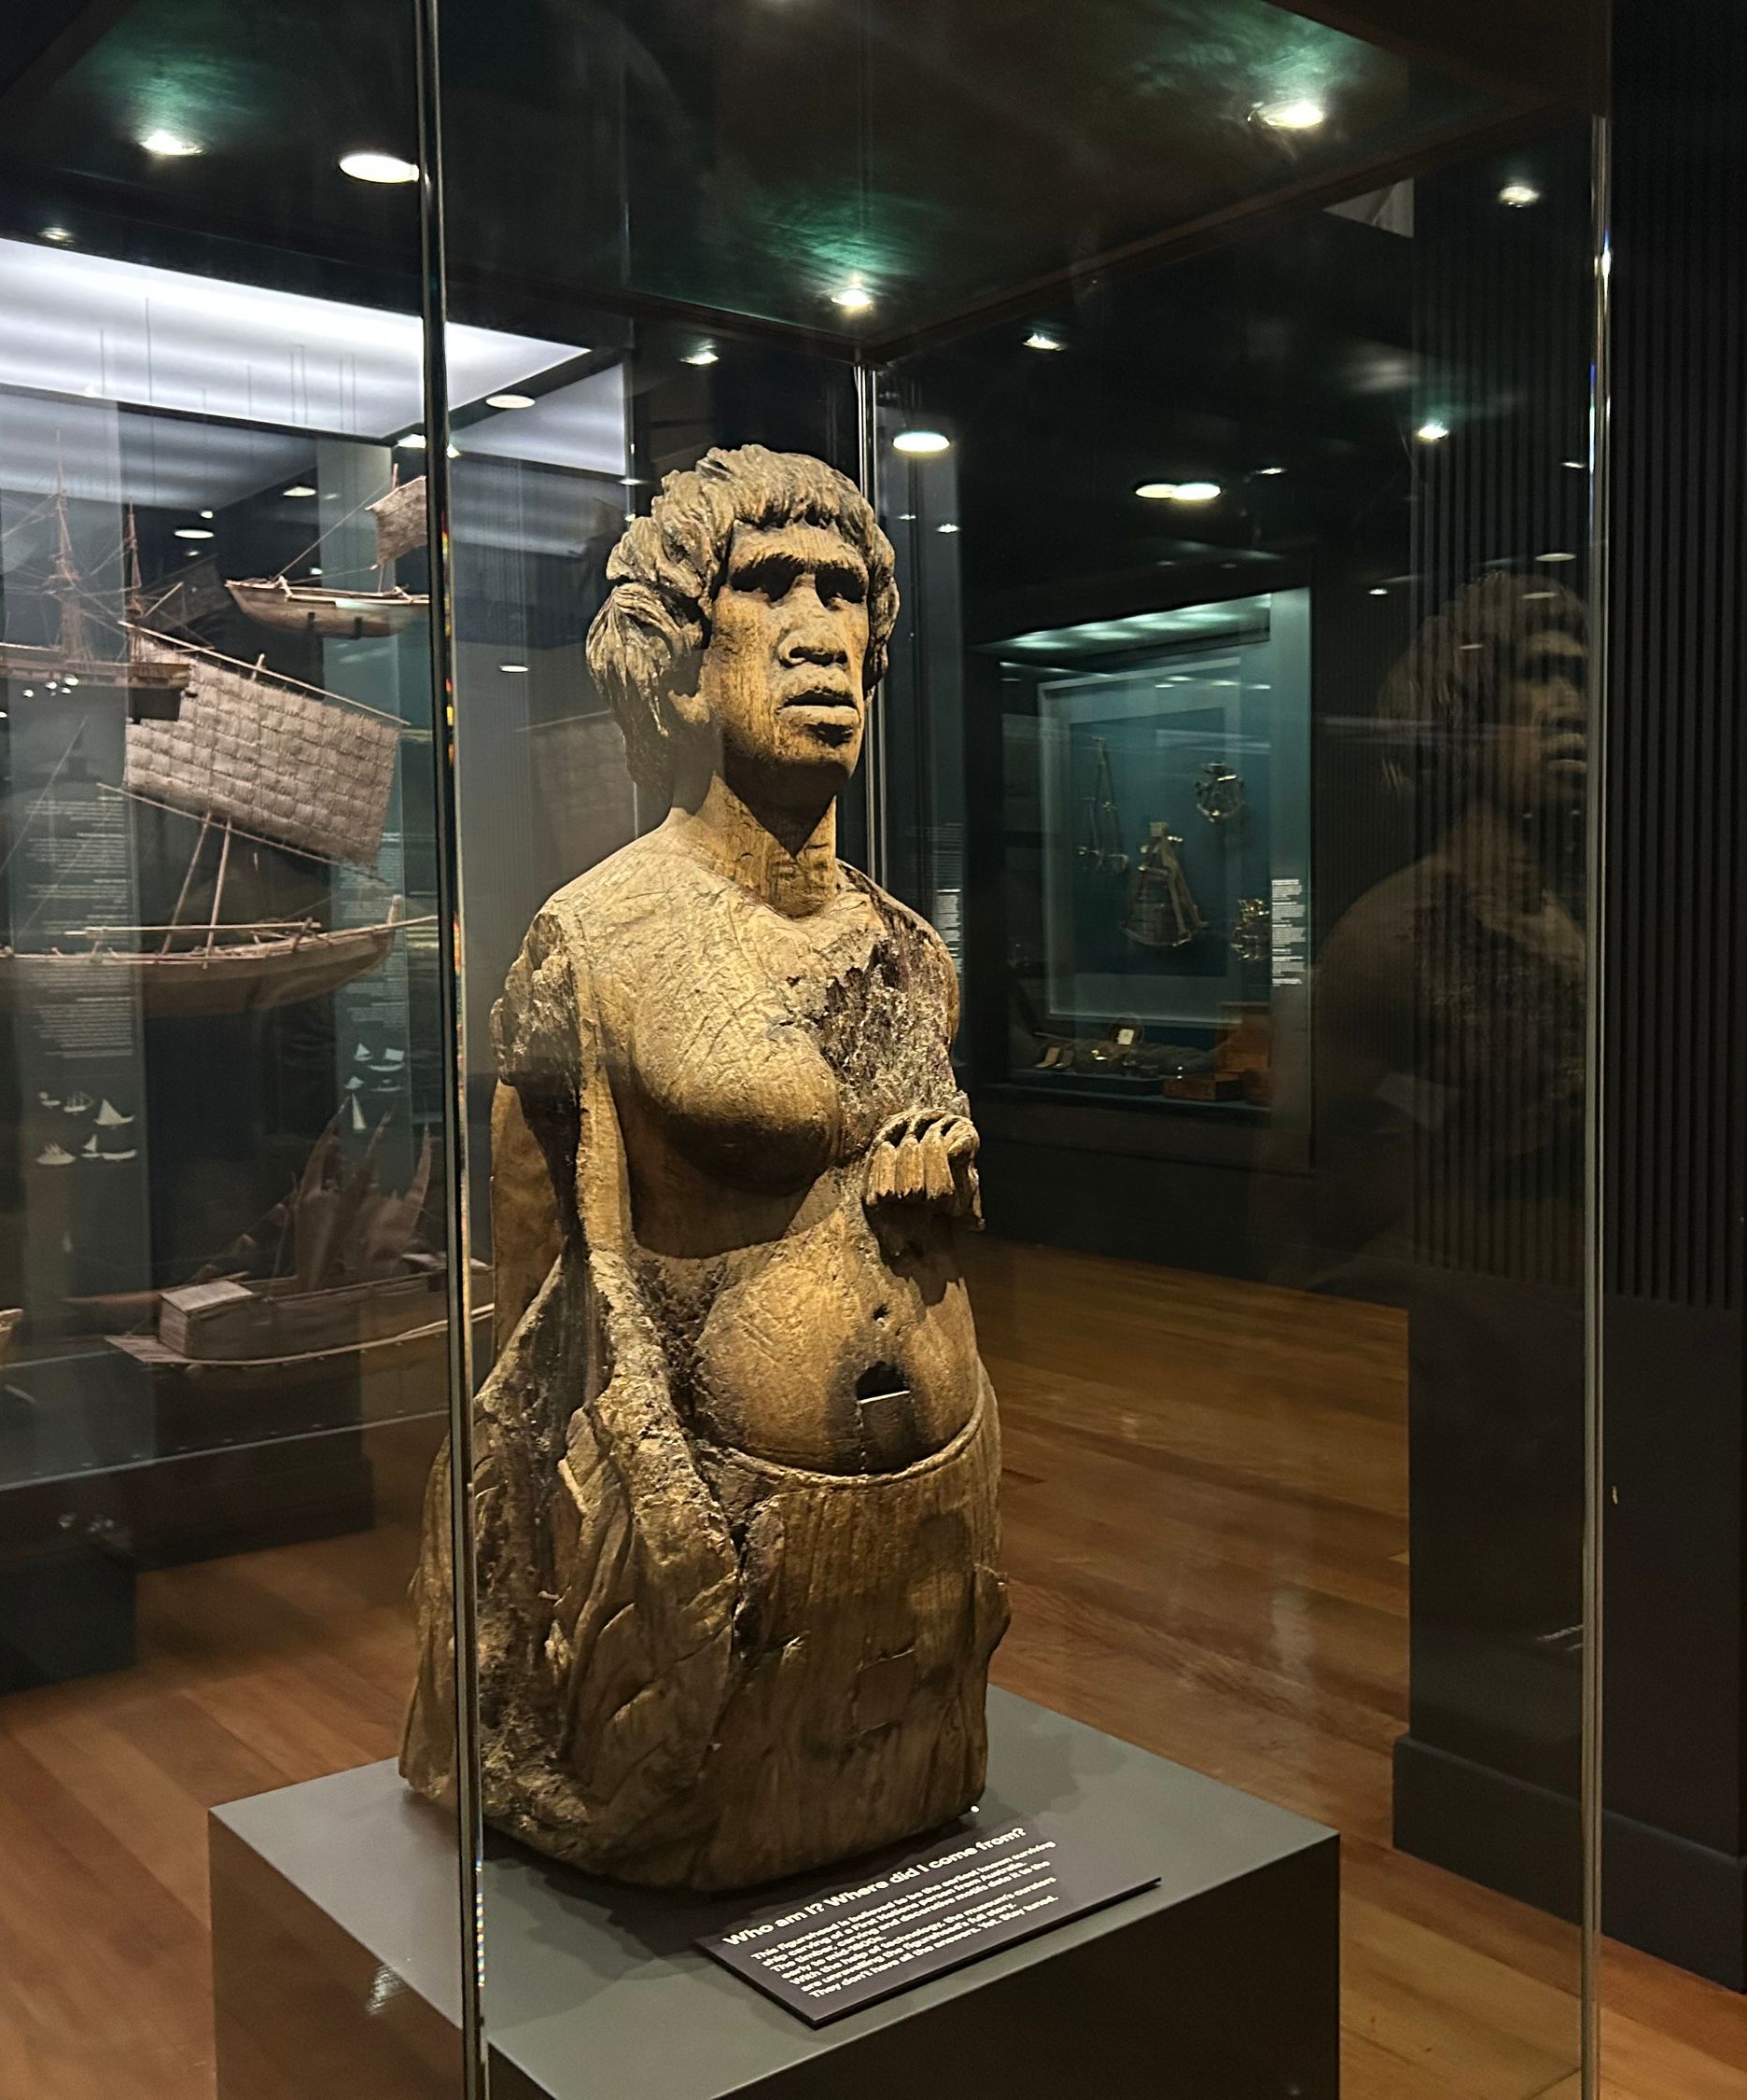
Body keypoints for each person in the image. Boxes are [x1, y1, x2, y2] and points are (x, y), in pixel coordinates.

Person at [402, 446, 1006, 1891]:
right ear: (681, 654)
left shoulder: (911, 950)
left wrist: (940, 1190)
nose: (822, 627)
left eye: (849, 590)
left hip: (931, 1507)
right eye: (771, 585)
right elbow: (534, 1312)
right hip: (715, 1537)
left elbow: (910, 1217)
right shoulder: (596, 941)